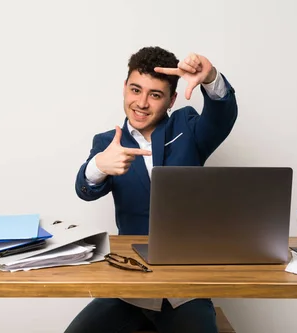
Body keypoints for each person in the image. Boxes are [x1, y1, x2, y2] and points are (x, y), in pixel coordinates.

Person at [66, 46, 238, 333]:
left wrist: (210, 78)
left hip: (183, 287)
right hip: (130, 284)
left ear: (171, 99)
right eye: (135, 90)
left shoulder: (188, 127)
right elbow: (85, 189)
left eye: (155, 95)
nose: (141, 103)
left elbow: (222, 115)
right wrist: (98, 165)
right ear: (124, 88)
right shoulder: (109, 141)